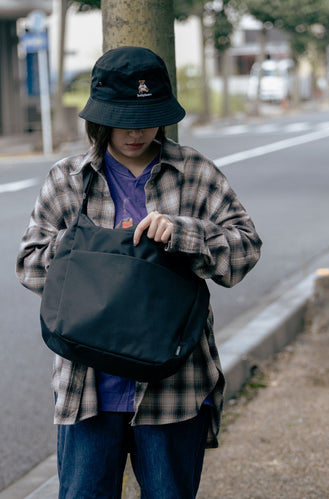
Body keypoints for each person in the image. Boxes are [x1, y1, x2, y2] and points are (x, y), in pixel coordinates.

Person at [16, 46, 262, 499]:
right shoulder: (68, 178)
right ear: (100, 117)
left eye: (146, 117)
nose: (134, 131)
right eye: (121, 118)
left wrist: (185, 235)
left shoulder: (195, 173)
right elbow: (29, 264)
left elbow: (245, 250)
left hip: (177, 386)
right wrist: (94, 251)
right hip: (87, 388)